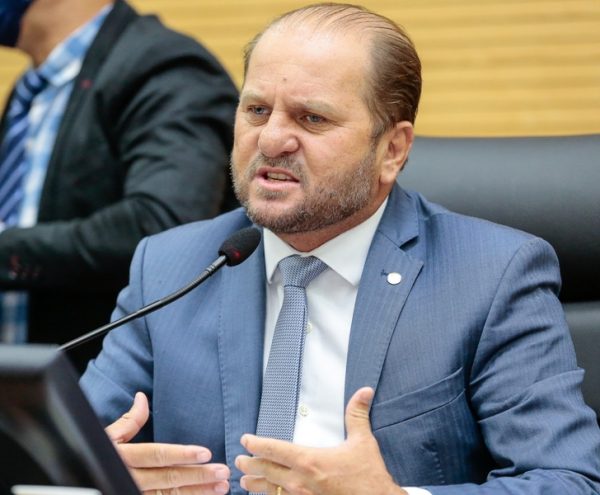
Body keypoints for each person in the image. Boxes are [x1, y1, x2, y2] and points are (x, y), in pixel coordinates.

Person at [80, 3, 600, 494]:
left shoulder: (492, 275)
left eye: (312, 119)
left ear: (392, 149)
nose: (271, 140)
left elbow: (567, 481)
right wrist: (94, 476)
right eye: (257, 110)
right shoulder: (170, 267)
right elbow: (68, 454)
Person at [0, 0, 238, 370]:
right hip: (24, 382)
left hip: (110, 389)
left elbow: (161, 225)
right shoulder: (31, 89)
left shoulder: (164, 65)